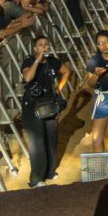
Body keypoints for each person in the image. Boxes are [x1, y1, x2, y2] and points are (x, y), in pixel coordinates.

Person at [20, 36, 70, 188]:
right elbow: (28, 78)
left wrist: (58, 88)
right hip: (32, 104)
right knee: (37, 142)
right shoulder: (29, 61)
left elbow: (66, 72)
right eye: (40, 45)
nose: (44, 47)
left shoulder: (54, 62)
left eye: (46, 44)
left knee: (51, 137)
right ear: (35, 48)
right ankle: (36, 179)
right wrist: (38, 60)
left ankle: (49, 171)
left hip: (49, 103)